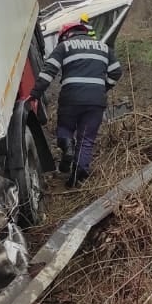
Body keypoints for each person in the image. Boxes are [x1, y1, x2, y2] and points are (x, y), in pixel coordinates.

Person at [32, 19, 123, 187]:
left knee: (65, 128)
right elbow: (117, 71)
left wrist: (35, 94)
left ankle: (67, 147)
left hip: (71, 98)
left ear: (66, 34)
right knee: (86, 138)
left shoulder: (64, 47)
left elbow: (48, 72)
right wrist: (104, 87)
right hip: (96, 100)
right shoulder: (103, 47)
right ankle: (77, 177)